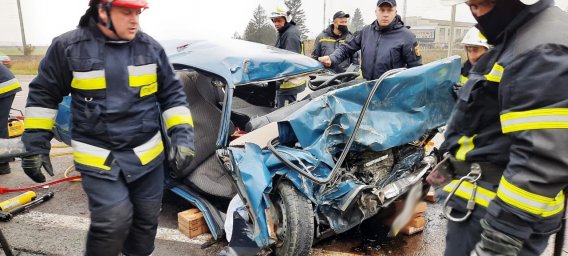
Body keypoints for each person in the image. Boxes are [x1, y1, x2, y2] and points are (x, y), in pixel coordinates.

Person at [20, 0, 195, 255]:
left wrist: (183, 136)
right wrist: (35, 144)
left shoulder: (150, 48)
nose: (135, 19)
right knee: (113, 220)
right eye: (126, 12)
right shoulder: (68, 47)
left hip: (147, 158)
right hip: (99, 158)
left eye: (138, 12)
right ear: (102, 11)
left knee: (145, 222)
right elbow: (43, 95)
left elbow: (173, 96)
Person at [436, 0, 568, 255]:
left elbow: (541, 161)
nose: (475, 13)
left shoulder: (541, 48)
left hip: (494, 219)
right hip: (481, 208)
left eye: (481, 4)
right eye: (470, 5)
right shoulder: (520, 38)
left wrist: (499, 242)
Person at [318, 0, 422, 81]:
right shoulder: (365, 31)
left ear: (395, 12)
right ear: (376, 12)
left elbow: (415, 70)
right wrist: (332, 58)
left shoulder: (407, 36)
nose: (385, 14)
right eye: (382, 10)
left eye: (389, 10)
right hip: (368, 89)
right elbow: (346, 48)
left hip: (392, 93)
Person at [270, 5, 306, 107]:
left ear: (287, 19)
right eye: (274, 21)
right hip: (286, 83)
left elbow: (290, 62)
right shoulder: (284, 31)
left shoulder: (290, 34)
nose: (276, 23)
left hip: (288, 83)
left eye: (279, 20)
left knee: (284, 117)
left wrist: (279, 80)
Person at [0, 64, 21, 174]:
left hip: (3, 85)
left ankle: (2, 165)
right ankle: (8, 156)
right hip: (5, 83)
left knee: (0, 126)